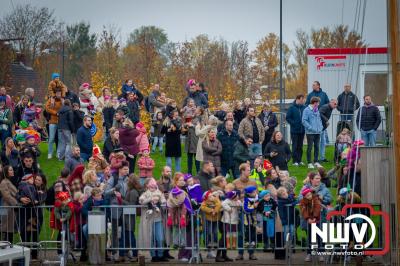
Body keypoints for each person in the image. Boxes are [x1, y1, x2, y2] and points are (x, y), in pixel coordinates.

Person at [232, 163, 258, 261]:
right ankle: (240, 253)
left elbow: (257, 195)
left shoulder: (253, 182)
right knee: (241, 233)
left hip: (251, 211)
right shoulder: (235, 182)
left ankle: (251, 253)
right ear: (242, 171)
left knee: (251, 231)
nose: (249, 171)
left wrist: (256, 203)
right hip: (240, 211)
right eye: (248, 170)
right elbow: (232, 196)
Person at [138, 178, 167, 262]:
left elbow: (164, 201)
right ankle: (153, 256)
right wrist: (150, 199)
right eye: (151, 182)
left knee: (160, 238)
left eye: (154, 182)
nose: (153, 184)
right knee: (151, 238)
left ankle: (161, 255)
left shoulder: (159, 193)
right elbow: (141, 201)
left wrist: (161, 202)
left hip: (158, 219)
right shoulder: (145, 193)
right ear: (147, 185)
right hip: (149, 220)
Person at [299, 188, 322, 262]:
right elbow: (303, 210)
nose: (309, 196)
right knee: (310, 237)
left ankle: (320, 253)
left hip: (317, 220)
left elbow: (317, 208)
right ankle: (309, 253)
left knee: (319, 237)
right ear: (304, 196)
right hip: (308, 221)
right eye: (307, 195)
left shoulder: (315, 199)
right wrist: (308, 218)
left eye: (309, 194)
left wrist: (314, 217)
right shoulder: (302, 202)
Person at [123, 174, 141, 262]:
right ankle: (128, 253)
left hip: (130, 216)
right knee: (127, 235)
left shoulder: (133, 191)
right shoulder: (129, 190)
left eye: (128, 179)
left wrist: (121, 200)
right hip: (127, 215)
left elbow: (132, 205)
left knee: (131, 235)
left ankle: (135, 254)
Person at [302, 97, 323, 169]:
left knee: (317, 146)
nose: (318, 104)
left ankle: (316, 161)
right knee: (310, 147)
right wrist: (311, 128)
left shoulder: (317, 110)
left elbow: (319, 119)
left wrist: (321, 127)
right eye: (318, 103)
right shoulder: (306, 110)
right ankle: (309, 163)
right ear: (314, 103)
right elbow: (304, 121)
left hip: (318, 132)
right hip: (310, 133)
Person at [286, 95, 306, 166]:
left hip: (302, 130)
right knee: (295, 146)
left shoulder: (304, 107)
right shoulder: (292, 108)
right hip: (294, 131)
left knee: (300, 146)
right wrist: (294, 124)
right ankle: (294, 161)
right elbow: (288, 118)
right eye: (302, 100)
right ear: (297, 99)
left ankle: (299, 160)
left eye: (303, 100)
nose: (303, 101)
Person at [0, 165, 18, 242]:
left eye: (12, 170)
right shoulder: (4, 182)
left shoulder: (8, 181)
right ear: (6, 172)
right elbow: (7, 196)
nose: (12, 171)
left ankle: (9, 246)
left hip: (10, 208)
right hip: (6, 207)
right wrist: (16, 203)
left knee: (9, 228)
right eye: (10, 170)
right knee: (5, 227)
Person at [45, 90, 63, 159]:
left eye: (60, 93)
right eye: (58, 93)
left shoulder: (62, 100)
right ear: (55, 94)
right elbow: (47, 109)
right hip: (52, 122)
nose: (59, 94)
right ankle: (50, 153)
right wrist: (55, 113)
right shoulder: (51, 100)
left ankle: (58, 153)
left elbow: (64, 108)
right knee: (51, 138)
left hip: (60, 122)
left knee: (60, 138)